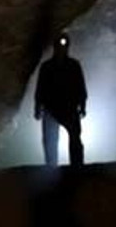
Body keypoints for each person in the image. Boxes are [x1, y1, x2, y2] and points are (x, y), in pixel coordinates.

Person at [34, 33, 87, 167]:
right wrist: (37, 106)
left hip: (68, 107)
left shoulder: (73, 65)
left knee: (74, 138)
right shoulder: (47, 67)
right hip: (52, 108)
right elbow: (41, 87)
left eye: (64, 45)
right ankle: (52, 166)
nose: (62, 48)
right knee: (50, 140)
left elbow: (80, 86)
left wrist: (82, 104)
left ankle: (77, 166)